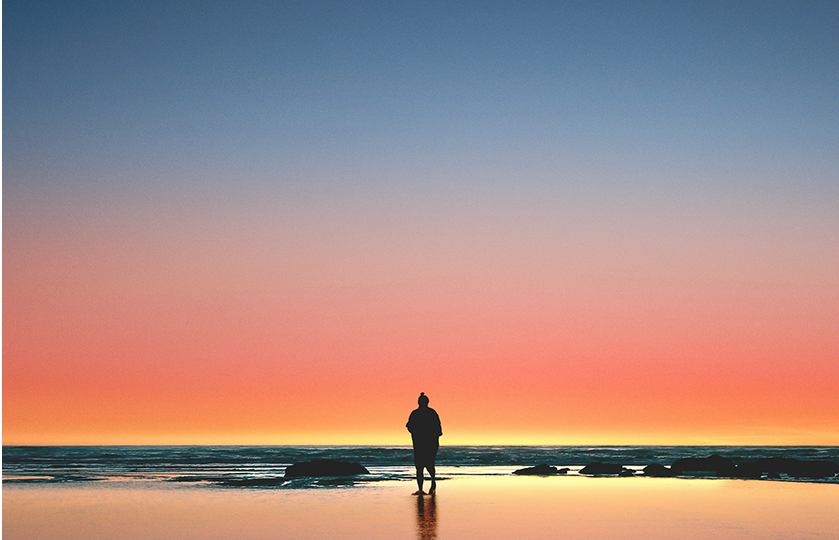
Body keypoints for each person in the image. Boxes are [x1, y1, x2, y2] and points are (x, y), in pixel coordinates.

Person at [406, 392, 442, 494]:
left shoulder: (415, 414)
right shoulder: (432, 413)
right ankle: (430, 482)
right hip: (429, 444)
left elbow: (409, 427)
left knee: (420, 466)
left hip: (420, 444)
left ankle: (423, 487)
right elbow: (439, 431)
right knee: (428, 464)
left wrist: (418, 433)